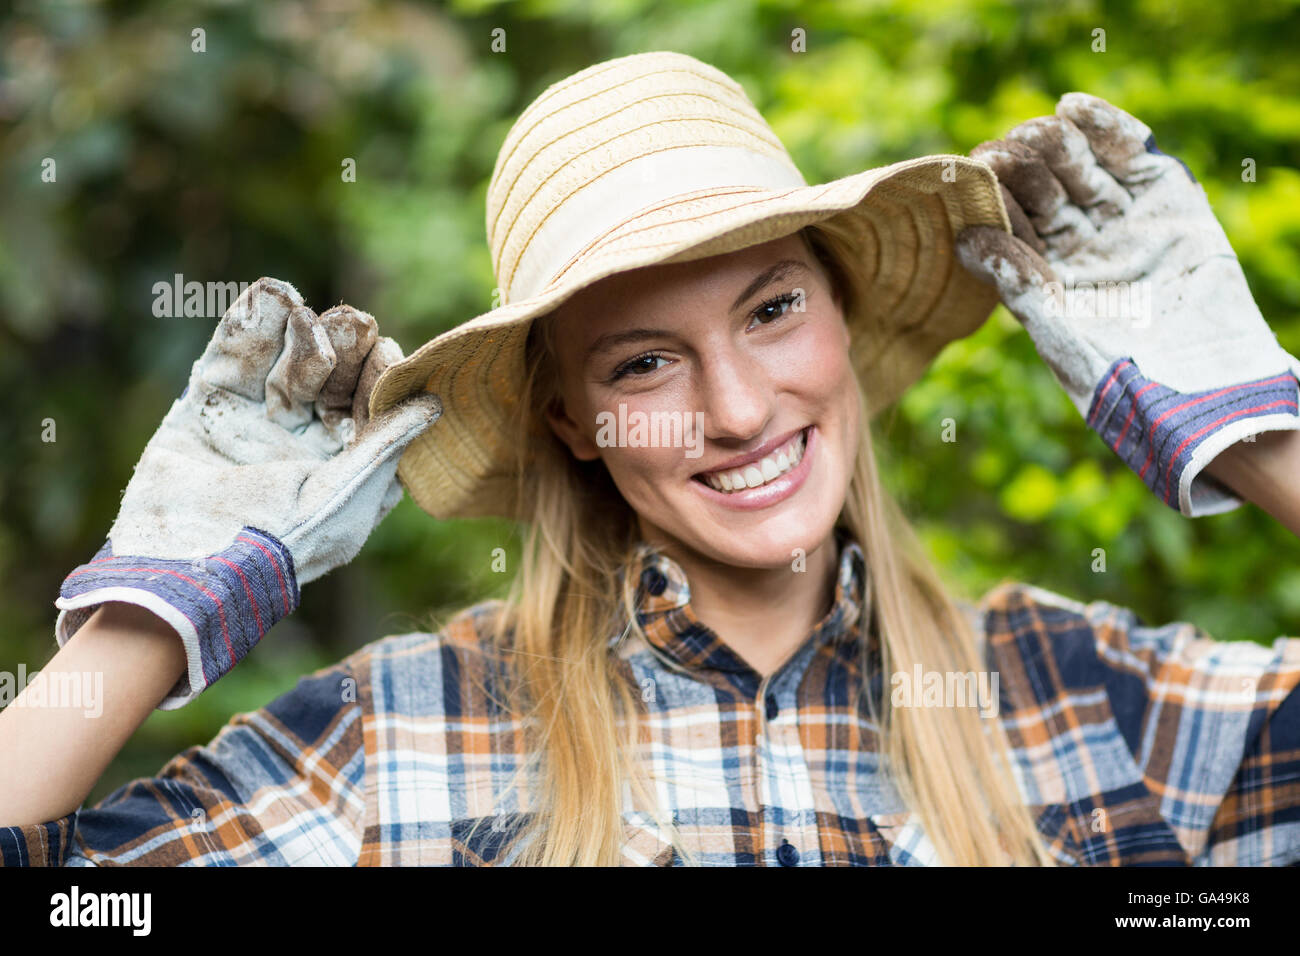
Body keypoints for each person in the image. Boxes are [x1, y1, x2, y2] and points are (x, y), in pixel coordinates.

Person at [2, 51, 1298, 867]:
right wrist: (160, 605)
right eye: (643, 362)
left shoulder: (1079, 698)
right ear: (569, 418)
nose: (736, 410)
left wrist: (1255, 434)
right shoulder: (405, 739)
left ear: (842, 316)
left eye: (773, 310)